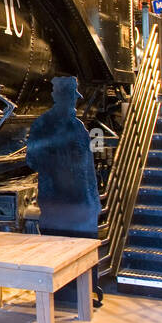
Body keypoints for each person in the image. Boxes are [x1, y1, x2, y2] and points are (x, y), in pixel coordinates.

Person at [25, 76, 101, 236]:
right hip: (61, 208)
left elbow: (88, 169)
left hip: (77, 208)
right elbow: (33, 160)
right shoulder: (44, 125)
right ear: (60, 96)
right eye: (72, 95)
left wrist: (94, 204)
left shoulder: (77, 126)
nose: (75, 99)